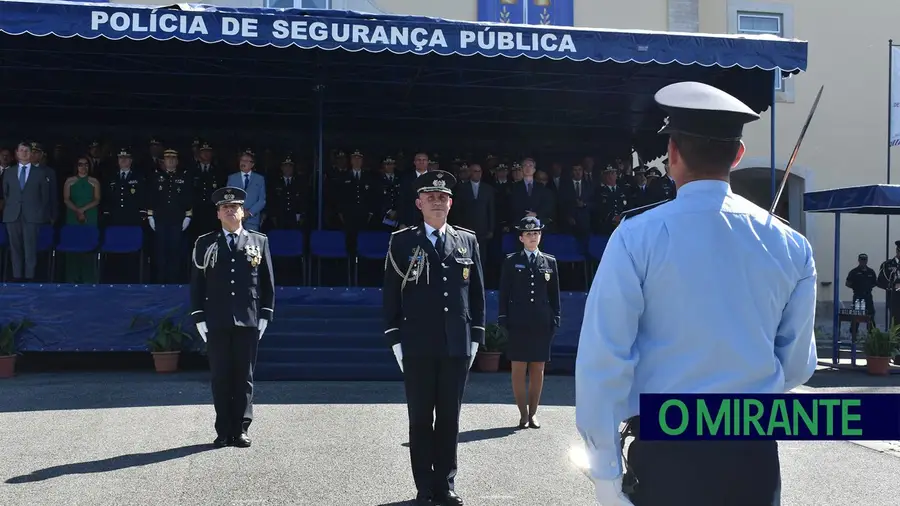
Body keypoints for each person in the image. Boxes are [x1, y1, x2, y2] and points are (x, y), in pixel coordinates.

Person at [575, 81, 818, 506]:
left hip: (668, 450)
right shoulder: (791, 245)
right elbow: (797, 364)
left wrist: (606, 474)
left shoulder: (636, 237)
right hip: (753, 451)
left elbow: (604, 359)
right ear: (738, 155)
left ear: (671, 154)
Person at [382, 170, 486, 506]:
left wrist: (476, 337)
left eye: (443, 197)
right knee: (420, 417)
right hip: (417, 344)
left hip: (456, 343)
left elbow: (478, 295)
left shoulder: (467, 240)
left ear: (451, 203)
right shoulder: (402, 240)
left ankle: (446, 483)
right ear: (419, 203)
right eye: (431, 197)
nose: (437, 202)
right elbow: (391, 295)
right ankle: (424, 486)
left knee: (450, 419)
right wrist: (396, 339)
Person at [190, 186, 275, 448]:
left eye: (234, 207)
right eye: (224, 208)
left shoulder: (258, 241)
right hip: (216, 319)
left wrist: (265, 314)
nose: (230, 210)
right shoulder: (205, 242)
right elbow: (197, 283)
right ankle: (223, 429)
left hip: (248, 319)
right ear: (218, 214)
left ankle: (241, 429)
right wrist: (199, 316)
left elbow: (267, 283)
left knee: (244, 376)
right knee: (221, 376)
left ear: (243, 212)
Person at [498, 216, 560, 429]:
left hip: (542, 322)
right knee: (518, 368)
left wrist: (556, 318)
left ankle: (533, 413)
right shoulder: (511, 260)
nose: (533, 237)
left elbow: (554, 295)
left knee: (537, 369)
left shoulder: (549, 261)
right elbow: (504, 293)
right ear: (521, 237)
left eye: (536, 233)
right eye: (529, 234)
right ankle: (522, 412)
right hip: (518, 321)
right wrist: (503, 318)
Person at [846, 253, 877, 334]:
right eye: (861, 260)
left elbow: (874, 283)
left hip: (868, 296)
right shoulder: (854, 272)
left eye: (864, 260)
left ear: (867, 261)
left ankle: (871, 334)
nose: (863, 262)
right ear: (859, 261)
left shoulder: (871, 272)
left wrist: (867, 288)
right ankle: (853, 334)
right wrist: (856, 288)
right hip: (858, 296)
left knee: (870, 316)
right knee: (856, 316)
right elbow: (848, 283)